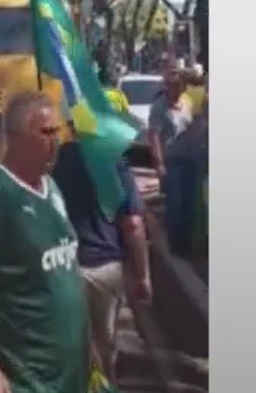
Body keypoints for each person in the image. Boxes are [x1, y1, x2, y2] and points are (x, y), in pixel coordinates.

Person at [0, 91, 90, 393]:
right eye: (46, 132)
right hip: (25, 379)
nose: (55, 141)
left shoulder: (52, 187)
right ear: (16, 137)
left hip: (68, 375)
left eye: (57, 132)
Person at [52, 120, 151, 383]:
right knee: (104, 348)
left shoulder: (55, 160)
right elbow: (133, 224)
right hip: (105, 269)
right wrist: (142, 275)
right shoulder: (114, 163)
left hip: (60, 264)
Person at [148, 69, 195, 257]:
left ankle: (187, 241)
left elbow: (191, 129)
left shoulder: (187, 104)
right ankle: (177, 246)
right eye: (171, 85)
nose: (174, 89)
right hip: (172, 162)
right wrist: (159, 163)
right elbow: (154, 136)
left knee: (189, 203)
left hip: (189, 160)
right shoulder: (159, 107)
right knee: (175, 205)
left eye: (178, 85)